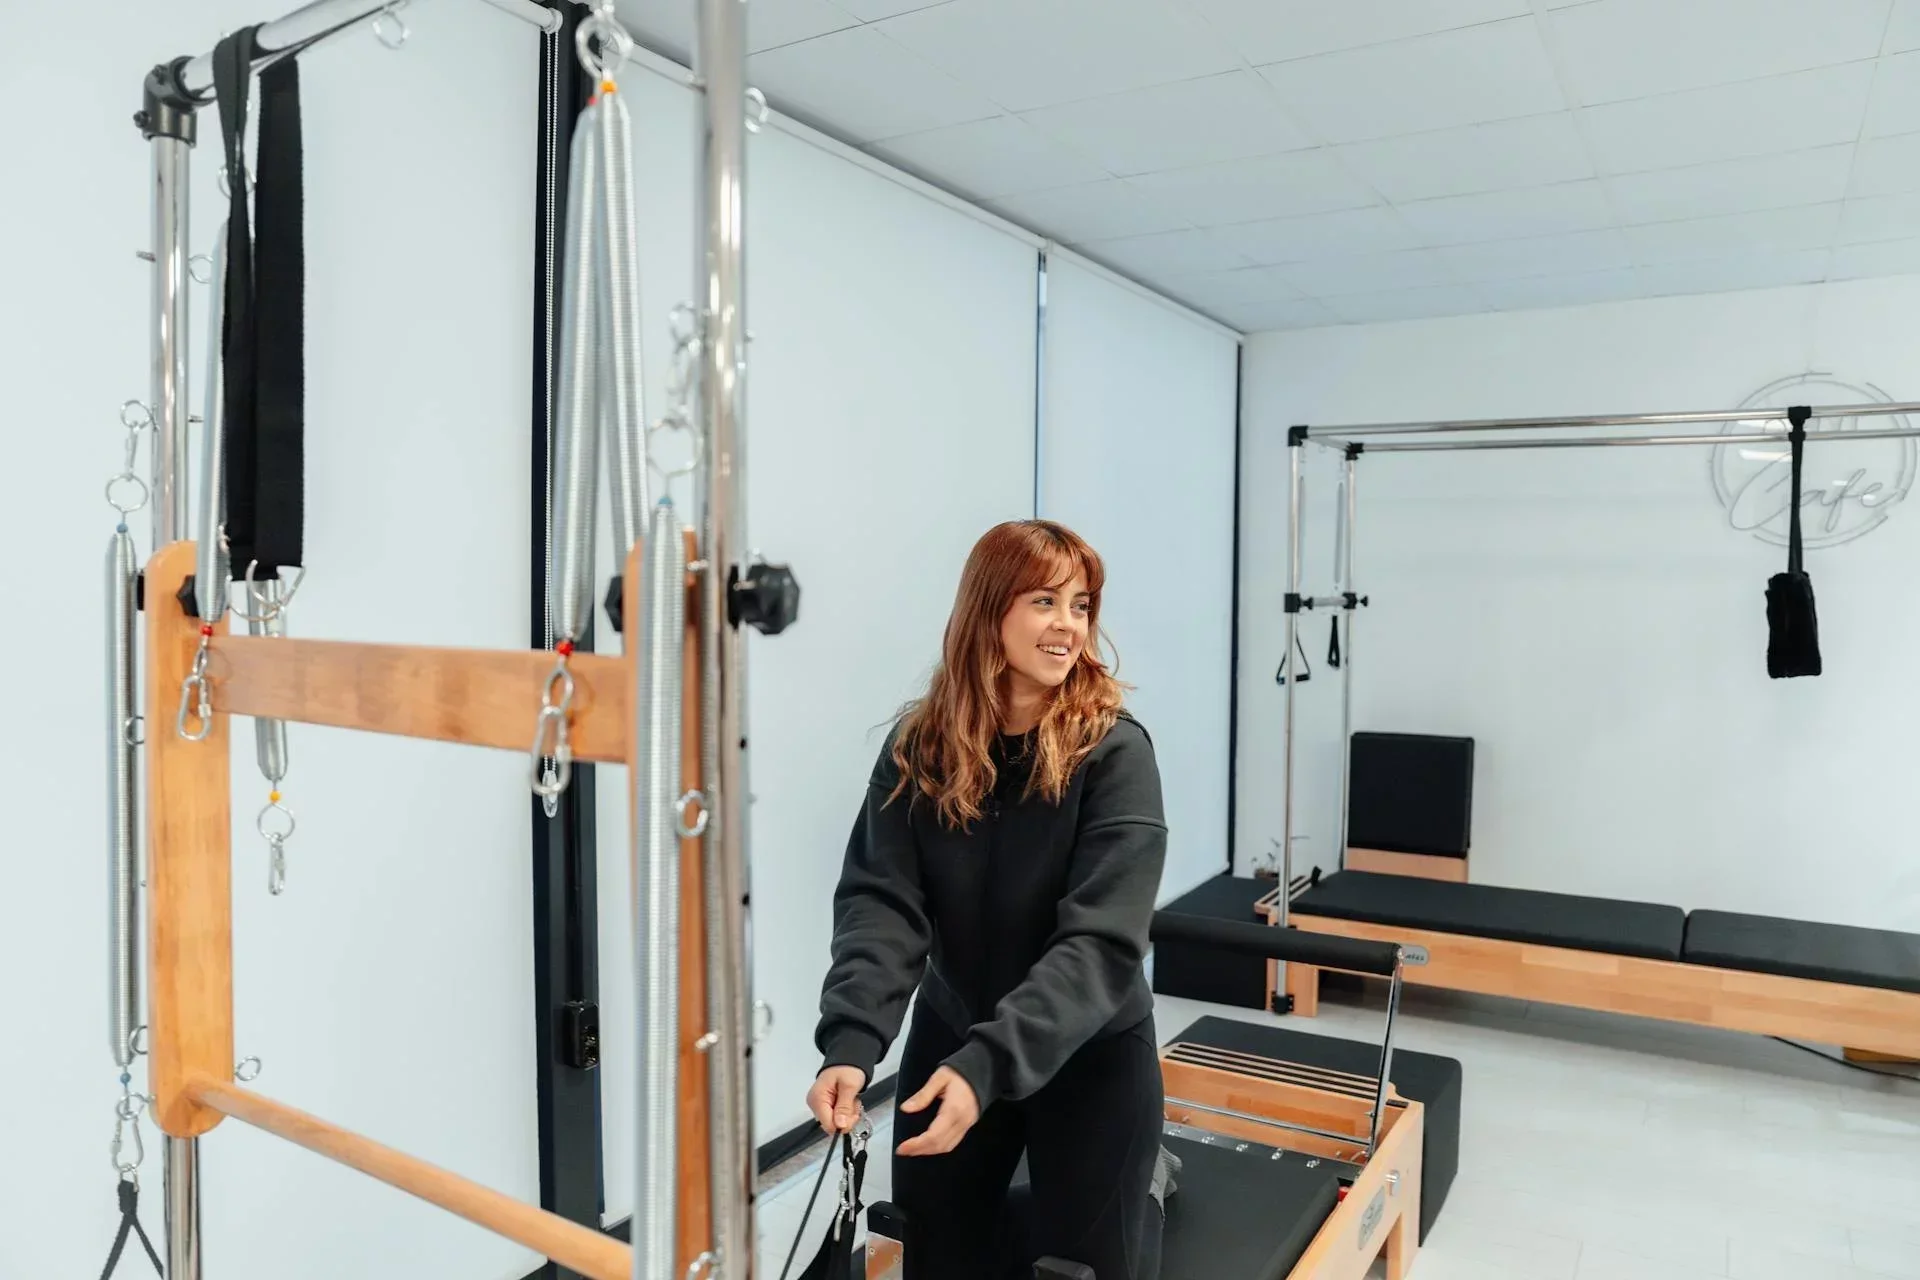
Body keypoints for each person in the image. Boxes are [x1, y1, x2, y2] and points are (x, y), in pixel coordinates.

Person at [806, 519, 1168, 1280]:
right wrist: (853, 1039)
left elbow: (1099, 945)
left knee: (1086, 1266)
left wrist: (991, 1064)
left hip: (1089, 1052)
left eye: (1081, 605)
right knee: (938, 1253)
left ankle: (1155, 1178)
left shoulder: (1116, 752)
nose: (1069, 625)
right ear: (989, 610)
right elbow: (882, 903)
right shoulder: (920, 746)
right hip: (954, 1026)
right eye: (1046, 601)